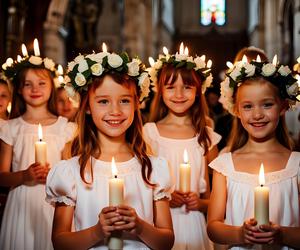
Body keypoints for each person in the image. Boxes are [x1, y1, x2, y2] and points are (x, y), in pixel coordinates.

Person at [46, 50, 175, 249]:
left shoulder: (153, 169)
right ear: (87, 106)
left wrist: (139, 227)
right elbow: (60, 242)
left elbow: (165, 242)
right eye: (103, 101)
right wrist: (97, 231)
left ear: (136, 104)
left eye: (124, 100)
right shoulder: (70, 172)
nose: (115, 111)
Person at [208, 55, 300, 249]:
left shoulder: (297, 165)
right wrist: (240, 234)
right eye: (248, 106)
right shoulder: (225, 164)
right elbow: (213, 227)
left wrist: (282, 235)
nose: (257, 115)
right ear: (236, 110)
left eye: (267, 104)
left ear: (283, 106)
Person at [144, 44, 221, 250]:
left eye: (187, 87)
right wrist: (164, 199)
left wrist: (201, 204)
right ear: (160, 90)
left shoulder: (206, 137)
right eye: (170, 87)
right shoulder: (149, 134)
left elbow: (217, 195)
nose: (179, 94)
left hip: (195, 224)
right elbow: (140, 186)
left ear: (198, 91)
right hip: (159, 223)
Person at [0, 47, 76, 250]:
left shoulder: (64, 127)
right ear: (18, 89)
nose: (35, 89)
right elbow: (2, 176)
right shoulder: (11, 127)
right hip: (21, 201)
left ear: (52, 86)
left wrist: (55, 175)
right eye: (28, 84)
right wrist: (24, 176)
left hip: (54, 202)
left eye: (42, 83)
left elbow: (71, 171)